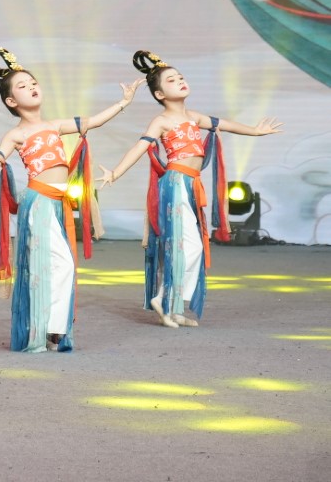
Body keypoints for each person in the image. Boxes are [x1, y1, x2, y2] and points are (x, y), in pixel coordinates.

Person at [0, 47, 141, 352]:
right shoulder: (16, 134)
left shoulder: (55, 125)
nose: (32, 87)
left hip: (57, 202)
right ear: (11, 101)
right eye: (22, 86)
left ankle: (51, 329)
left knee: (59, 266)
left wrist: (124, 102)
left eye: (33, 82)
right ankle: (47, 329)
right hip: (38, 203)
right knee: (56, 266)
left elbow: (94, 121)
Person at [97, 50, 282, 328]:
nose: (180, 81)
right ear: (160, 94)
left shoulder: (195, 117)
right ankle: (163, 298)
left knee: (187, 247)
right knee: (190, 246)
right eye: (171, 80)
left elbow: (226, 125)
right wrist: (115, 172)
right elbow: (140, 147)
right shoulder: (162, 121)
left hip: (190, 184)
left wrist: (255, 131)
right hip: (175, 184)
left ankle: (173, 308)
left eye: (181, 77)